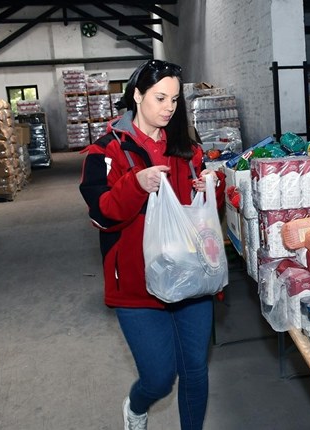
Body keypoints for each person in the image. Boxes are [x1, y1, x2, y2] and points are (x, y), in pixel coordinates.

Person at [79, 59, 226, 430]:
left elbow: (202, 217)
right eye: (160, 97)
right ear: (137, 95)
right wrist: (135, 184)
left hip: (191, 276)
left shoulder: (185, 149)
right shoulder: (105, 152)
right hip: (136, 284)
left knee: (195, 370)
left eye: (175, 100)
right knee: (159, 377)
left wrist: (213, 186)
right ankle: (137, 405)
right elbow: (102, 214)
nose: (169, 107)